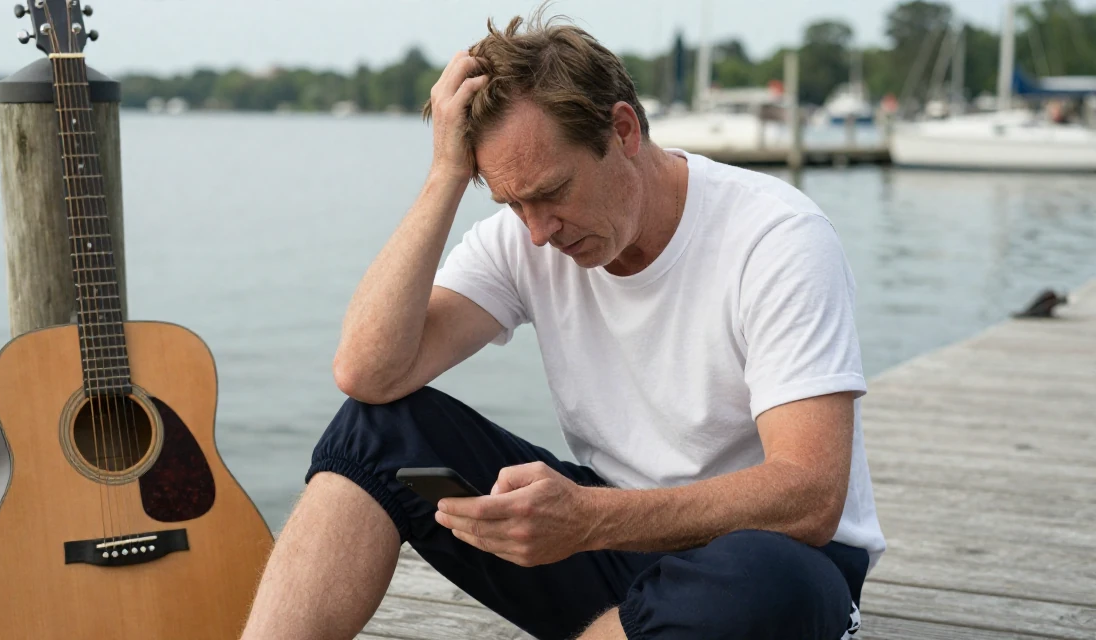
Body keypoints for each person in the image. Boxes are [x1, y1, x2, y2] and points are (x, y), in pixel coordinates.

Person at [241, 12, 884, 640]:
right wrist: (445, 175)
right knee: (375, 429)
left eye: (551, 192)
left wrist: (590, 520)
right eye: (511, 202)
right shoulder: (525, 236)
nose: (537, 230)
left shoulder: (775, 238)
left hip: (770, 560)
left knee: (764, 579)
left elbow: (809, 495)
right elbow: (367, 372)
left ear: (624, 131)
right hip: (612, 541)